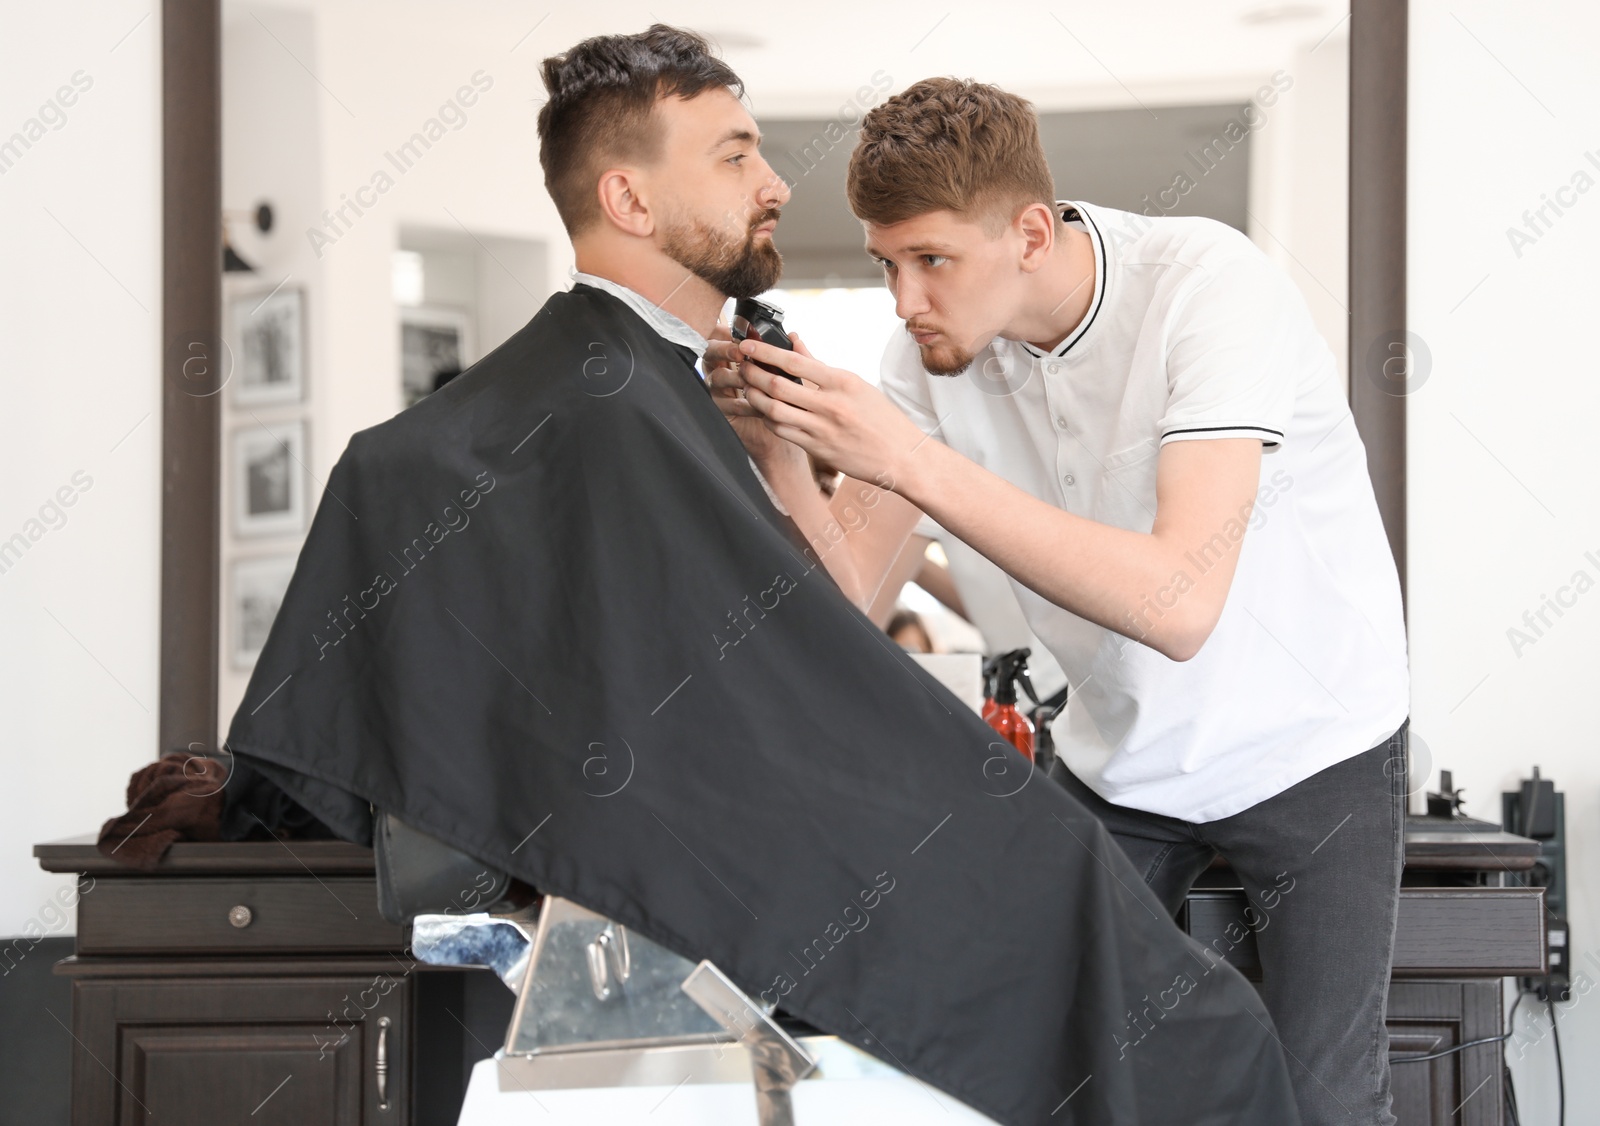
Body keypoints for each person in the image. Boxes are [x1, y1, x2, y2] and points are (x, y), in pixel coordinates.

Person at [221, 30, 1303, 1126]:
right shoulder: (594, 417)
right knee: (1203, 1041)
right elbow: (767, 735)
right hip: (675, 952)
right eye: (736, 157)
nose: (776, 183)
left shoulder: (653, 402)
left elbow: (783, 677)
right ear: (631, 202)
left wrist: (784, 458)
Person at [714, 77, 1410, 1126]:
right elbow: (848, 597)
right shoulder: (924, 358)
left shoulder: (1208, 288)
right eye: (885, 263)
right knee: (1056, 1072)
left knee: (1321, 1098)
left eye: (932, 260)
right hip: (1121, 759)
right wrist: (781, 450)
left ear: (1029, 232)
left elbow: (1177, 604)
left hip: (1311, 742)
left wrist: (910, 461)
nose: (904, 299)